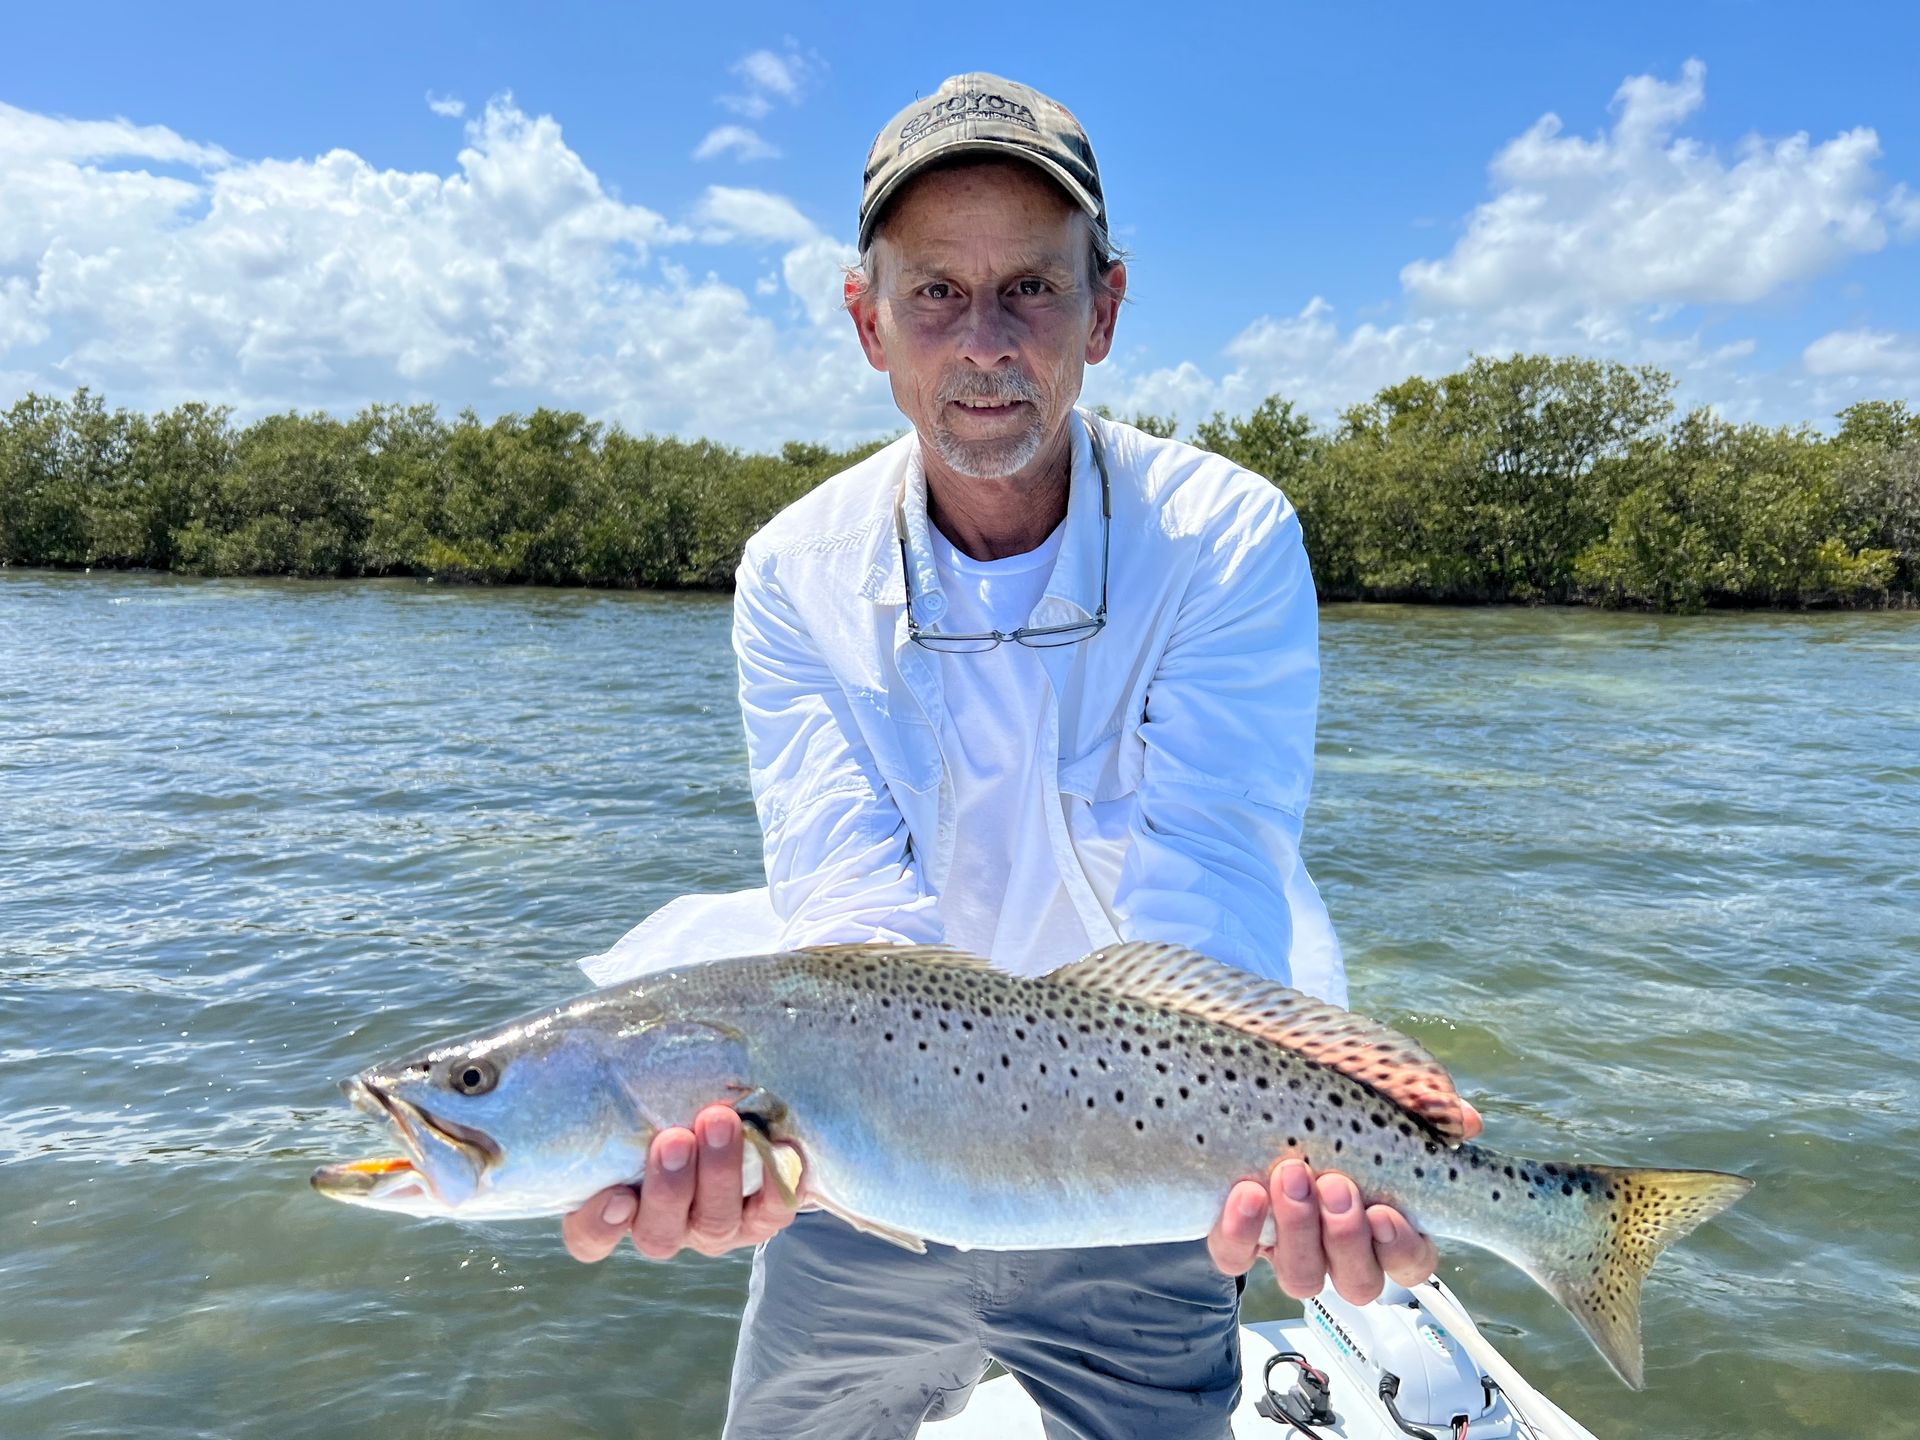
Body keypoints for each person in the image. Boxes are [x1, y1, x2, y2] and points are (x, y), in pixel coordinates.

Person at [562, 73, 1479, 1438]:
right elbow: (853, 926)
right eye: (934, 292)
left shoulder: (1226, 538)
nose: (983, 342)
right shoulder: (790, 575)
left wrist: (1294, 1141)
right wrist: (764, 1149)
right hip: (865, 1158)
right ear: (867, 322)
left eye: (1030, 291)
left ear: (1102, 311)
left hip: (1160, 1157)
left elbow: (1202, 909)